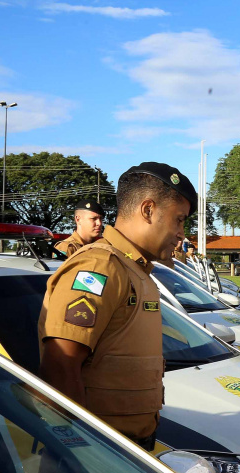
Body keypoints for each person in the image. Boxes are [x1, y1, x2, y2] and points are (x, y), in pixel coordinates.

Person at [38, 162, 196, 450]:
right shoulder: (100, 266)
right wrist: (83, 451)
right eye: (179, 219)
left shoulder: (135, 269)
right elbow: (61, 364)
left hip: (127, 450)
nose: (181, 233)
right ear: (148, 210)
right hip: (98, 457)